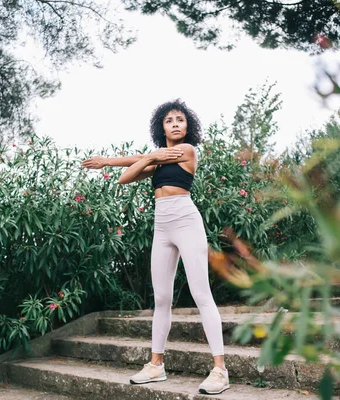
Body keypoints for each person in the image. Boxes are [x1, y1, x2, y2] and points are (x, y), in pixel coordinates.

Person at [81, 100, 229, 395]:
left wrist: (149, 156)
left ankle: (220, 370)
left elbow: (142, 161)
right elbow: (127, 176)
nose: (175, 124)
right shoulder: (158, 159)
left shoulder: (186, 150)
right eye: (169, 120)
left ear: (188, 127)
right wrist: (109, 162)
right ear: (161, 127)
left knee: (201, 293)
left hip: (186, 220)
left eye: (180, 120)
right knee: (161, 298)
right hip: (162, 225)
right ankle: (156, 365)